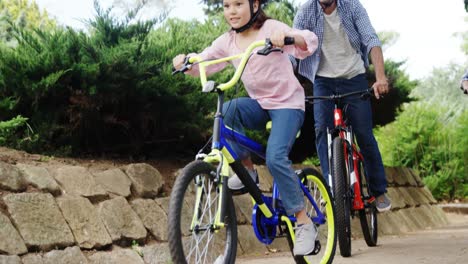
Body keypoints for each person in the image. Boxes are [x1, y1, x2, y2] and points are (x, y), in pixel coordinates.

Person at [173, 0, 319, 256]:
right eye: (227, 5)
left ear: (254, 5)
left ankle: (304, 222)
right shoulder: (226, 42)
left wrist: (287, 37)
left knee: (275, 157)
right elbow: (203, 62)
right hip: (259, 104)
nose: (232, 11)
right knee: (228, 111)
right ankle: (247, 172)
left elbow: (308, 42)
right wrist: (185, 62)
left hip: (288, 104)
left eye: (238, 4)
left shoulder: (270, 28)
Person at [293, 0, 392, 212]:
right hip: (322, 80)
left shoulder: (352, 6)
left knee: (364, 134)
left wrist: (380, 77)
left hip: (353, 76)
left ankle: (378, 190)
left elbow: (371, 40)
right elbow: (293, 51)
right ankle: (331, 187)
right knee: (322, 131)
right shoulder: (305, 12)